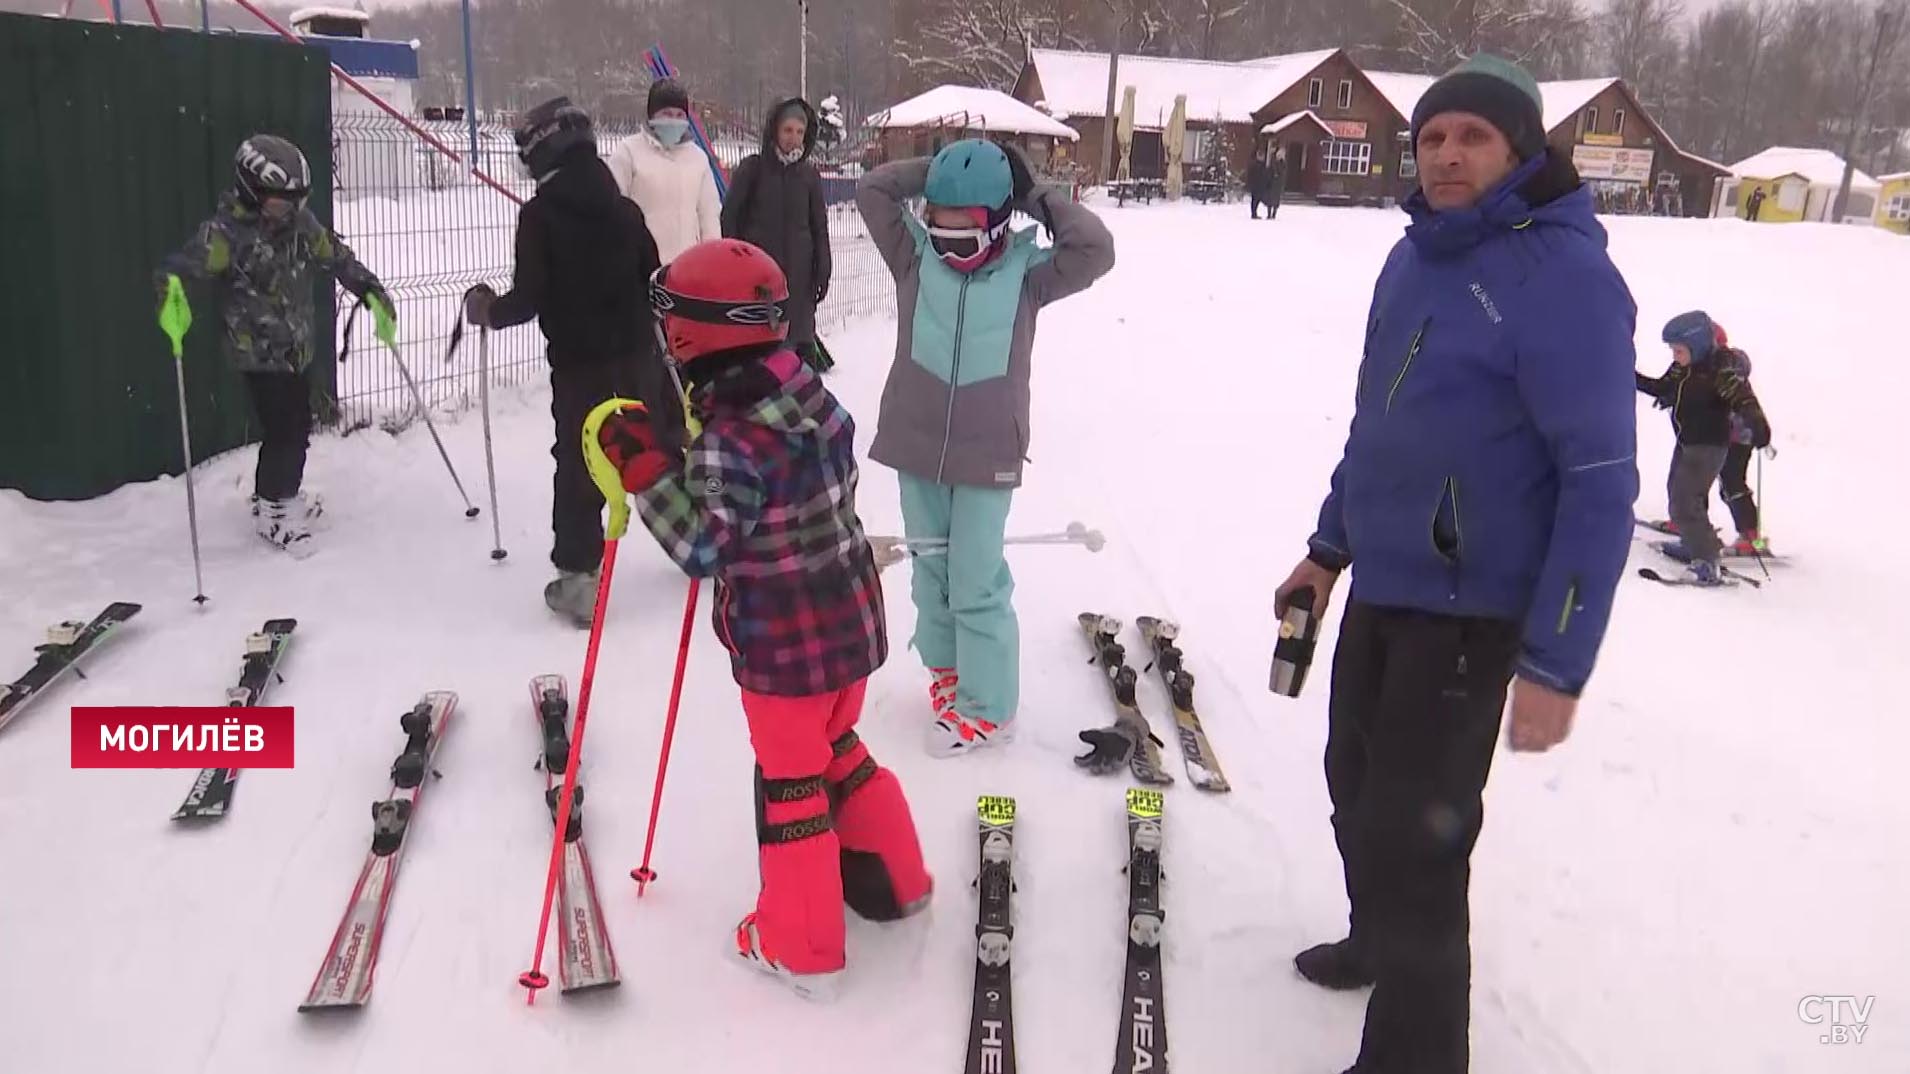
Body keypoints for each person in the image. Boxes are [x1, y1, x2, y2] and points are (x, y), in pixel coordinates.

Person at [1272, 55, 1638, 1074]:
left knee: (1420, 840)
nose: (1444, 154)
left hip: (1471, 617)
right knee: (1354, 787)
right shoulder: (1414, 258)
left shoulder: (1563, 279)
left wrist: (1555, 663)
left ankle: (1416, 1059)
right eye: (1431, 137)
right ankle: (1375, 941)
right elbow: (1378, 426)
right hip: (1383, 589)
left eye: (1471, 137)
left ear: (1519, 152)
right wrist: (1324, 550)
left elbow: (1600, 481)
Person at [589, 239, 931, 998]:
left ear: (688, 337)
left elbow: (703, 545)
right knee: (840, 746)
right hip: (849, 631)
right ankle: (894, 882)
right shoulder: (809, 397)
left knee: (793, 784)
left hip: (785, 653)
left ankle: (799, 945)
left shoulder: (729, 443)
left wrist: (645, 471)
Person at [856, 139, 1115, 757]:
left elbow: (1096, 249)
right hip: (915, 444)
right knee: (931, 572)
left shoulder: (1030, 275)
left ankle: (989, 710)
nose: (949, 250)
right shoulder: (914, 260)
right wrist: (937, 173)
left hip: (986, 452)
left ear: (998, 226)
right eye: (937, 232)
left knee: (976, 580)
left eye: (963, 239)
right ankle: (947, 674)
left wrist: (1034, 193)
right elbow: (872, 191)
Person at [461, 97, 662, 625]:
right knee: (652, 445)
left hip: (580, 367)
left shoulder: (540, 216)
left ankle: (579, 579)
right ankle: (704, 540)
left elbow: (528, 299)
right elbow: (654, 277)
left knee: (579, 462)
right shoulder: (625, 211)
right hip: (639, 357)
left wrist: (486, 310)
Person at [157, 133, 387, 559]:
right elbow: (180, 268)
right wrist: (171, 292)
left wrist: (368, 289)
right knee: (288, 428)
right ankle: (275, 511)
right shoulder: (224, 235)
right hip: (257, 352)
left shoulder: (299, 225)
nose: (291, 211)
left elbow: (333, 255)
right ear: (251, 191)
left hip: (296, 345)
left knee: (295, 426)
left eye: (297, 202)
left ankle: (277, 497)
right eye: (282, 202)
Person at [1636, 310, 1771, 583]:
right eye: (1673, 350)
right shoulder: (1683, 368)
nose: (1674, 356)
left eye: (1679, 350)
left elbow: (1743, 398)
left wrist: (1758, 425)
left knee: (1686, 502)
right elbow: (1662, 387)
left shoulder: (1719, 370)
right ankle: (1693, 543)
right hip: (1687, 440)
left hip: (1709, 445)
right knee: (1678, 496)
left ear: (1697, 347)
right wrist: (1628, 375)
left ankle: (1707, 559)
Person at [721, 97, 834, 373]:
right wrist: (738, 266)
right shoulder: (753, 170)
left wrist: (823, 269)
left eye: (799, 131)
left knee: (798, 355)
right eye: (787, 130)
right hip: (759, 282)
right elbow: (730, 219)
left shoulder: (808, 176)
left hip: (799, 282)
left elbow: (819, 225)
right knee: (762, 353)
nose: (794, 138)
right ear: (774, 130)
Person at [609, 77, 722, 263]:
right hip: (641, 266)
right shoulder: (628, 152)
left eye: (680, 115)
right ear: (652, 115)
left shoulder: (697, 158)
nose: (674, 121)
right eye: (667, 114)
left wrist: (711, 259)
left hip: (687, 267)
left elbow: (708, 214)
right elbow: (614, 212)